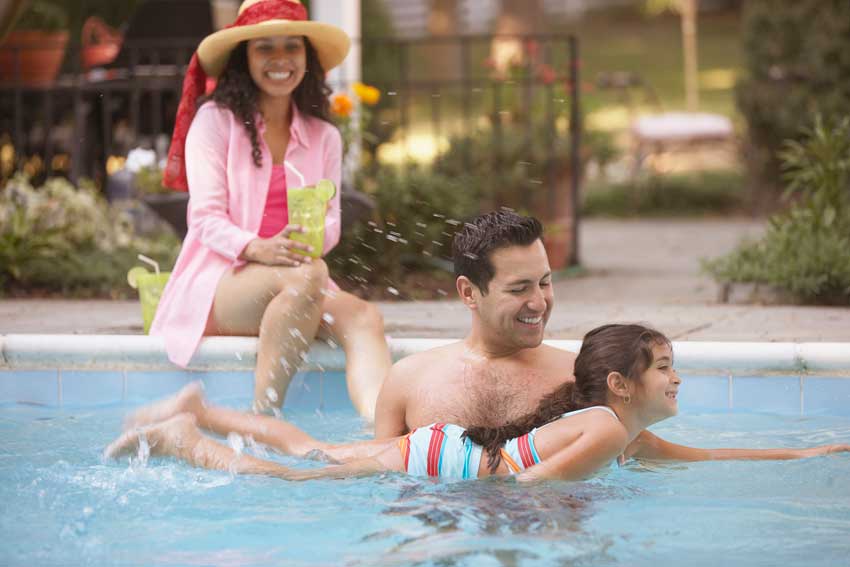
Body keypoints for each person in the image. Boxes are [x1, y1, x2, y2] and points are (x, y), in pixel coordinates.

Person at [105, 324, 850, 481]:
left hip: (451, 452)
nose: (678, 380)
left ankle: (199, 411)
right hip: (450, 461)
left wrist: (809, 451)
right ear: (622, 385)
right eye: (666, 368)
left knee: (310, 449)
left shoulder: (609, 428)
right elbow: (523, 494)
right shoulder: (598, 430)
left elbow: (712, 455)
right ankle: (183, 439)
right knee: (299, 472)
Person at [151, 0, 391, 417]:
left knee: (364, 316)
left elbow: (331, 218)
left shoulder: (324, 137)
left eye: (291, 47)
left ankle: (386, 433)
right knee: (311, 275)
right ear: (244, 58)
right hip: (222, 280)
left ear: (307, 58)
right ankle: (263, 421)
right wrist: (258, 247)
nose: (280, 60)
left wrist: (313, 237)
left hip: (297, 279)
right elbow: (205, 219)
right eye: (265, 48)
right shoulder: (214, 122)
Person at [374, 210, 577, 438]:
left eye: (545, 282)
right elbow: (379, 468)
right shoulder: (408, 380)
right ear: (469, 292)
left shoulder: (579, 376)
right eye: (519, 289)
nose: (539, 304)